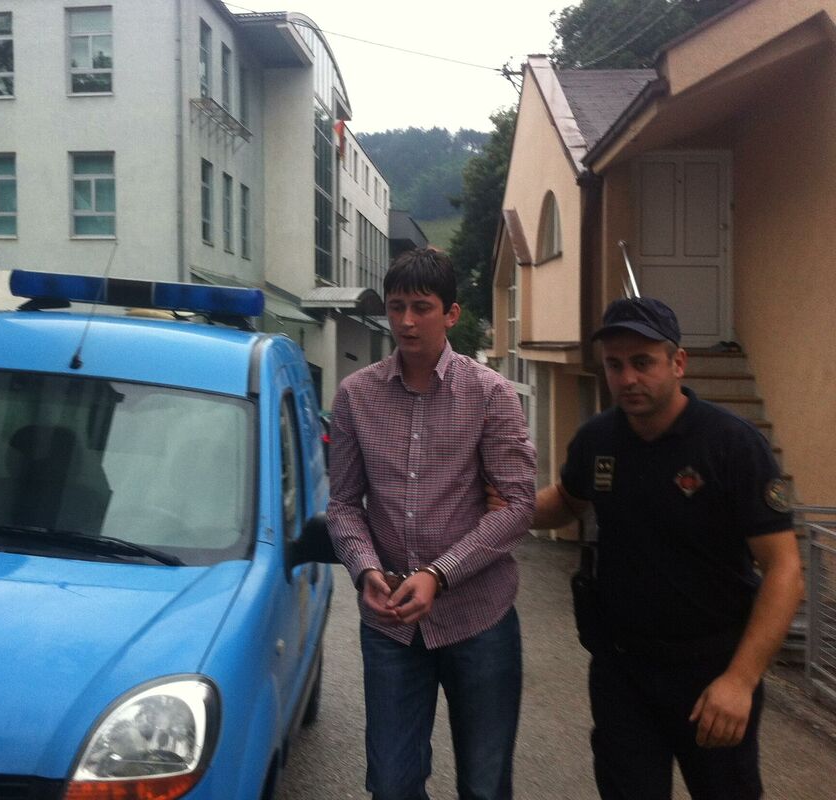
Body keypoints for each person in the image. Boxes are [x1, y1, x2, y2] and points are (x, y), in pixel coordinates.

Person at [513, 296, 803, 800]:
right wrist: (503, 507)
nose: (628, 378)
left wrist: (740, 681)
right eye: (615, 365)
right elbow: (566, 501)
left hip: (711, 670)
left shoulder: (731, 445)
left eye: (643, 362)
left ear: (678, 362)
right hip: (623, 670)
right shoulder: (598, 439)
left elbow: (785, 570)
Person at [327, 247, 536, 800]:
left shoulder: (490, 394)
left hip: (479, 617)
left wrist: (440, 574)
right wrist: (365, 569)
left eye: (421, 307)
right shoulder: (355, 396)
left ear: (451, 314)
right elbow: (343, 503)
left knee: (485, 785)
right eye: (397, 307)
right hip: (391, 622)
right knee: (391, 785)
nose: (407, 321)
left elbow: (519, 504)